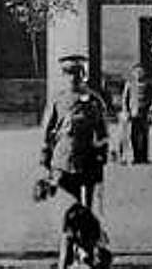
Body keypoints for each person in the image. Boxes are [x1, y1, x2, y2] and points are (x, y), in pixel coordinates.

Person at [40, 53, 109, 269]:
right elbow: (47, 129)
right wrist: (45, 155)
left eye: (78, 74)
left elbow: (103, 132)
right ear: (63, 76)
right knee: (67, 212)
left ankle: (86, 256)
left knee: (86, 212)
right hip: (62, 163)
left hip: (87, 162)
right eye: (69, 74)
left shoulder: (95, 101)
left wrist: (102, 155)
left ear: (84, 75)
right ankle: (65, 259)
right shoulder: (57, 99)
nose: (73, 79)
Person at [121, 63, 152, 164]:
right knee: (134, 136)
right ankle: (136, 157)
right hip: (134, 113)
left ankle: (144, 157)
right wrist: (126, 111)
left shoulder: (149, 84)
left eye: (141, 72)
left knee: (144, 136)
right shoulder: (130, 84)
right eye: (137, 72)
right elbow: (125, 99)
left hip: (145, 113)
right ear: (133, 73)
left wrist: (151, 111)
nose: (139, 74)